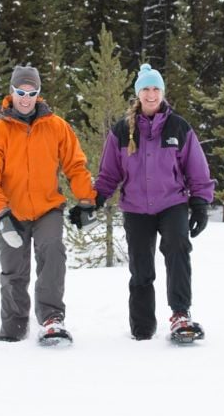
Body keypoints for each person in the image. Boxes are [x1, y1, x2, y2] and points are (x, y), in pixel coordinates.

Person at [90, 64, 215, 342]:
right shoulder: (122, 131)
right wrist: (95, 199)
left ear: (162, 92)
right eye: (146, 88)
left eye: (156, 88)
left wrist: (200, 203)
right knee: (141, 267)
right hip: (136, 208)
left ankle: (181, 314)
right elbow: (110, 173)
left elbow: (197, 168)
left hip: (172, 203)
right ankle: (143, 328)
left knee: (177, 248)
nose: (151, 94)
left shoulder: (178, 127)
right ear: (137, 94)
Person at [0, 65, 97, 345]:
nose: (26, 98)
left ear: (39, 94)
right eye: (20, 92)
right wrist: (1, 212)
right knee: (13, 269)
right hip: (10, 212)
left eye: (32, 92)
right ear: (11, 92)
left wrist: (86, 200)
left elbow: (75, 166)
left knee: (52, 253)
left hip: (47, 208)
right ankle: (14, 328)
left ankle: (52, 319)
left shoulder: (56, 127)